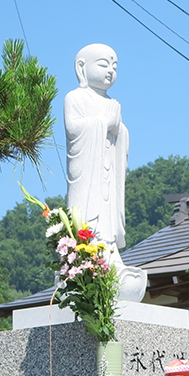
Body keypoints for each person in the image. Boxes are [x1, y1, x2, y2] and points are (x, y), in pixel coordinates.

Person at [65, 43, 129, 252]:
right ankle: (85, 249)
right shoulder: (75, 97)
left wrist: (118, 129)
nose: (111, 71)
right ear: (81, 67)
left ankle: (110, 250)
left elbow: (120, 134)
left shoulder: (112, 102)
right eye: (104, 65)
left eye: (115, 67)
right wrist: (104, 123)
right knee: (88, 219)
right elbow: (73, 129)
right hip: (88, 176)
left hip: (108, 173)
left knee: (108, 214)